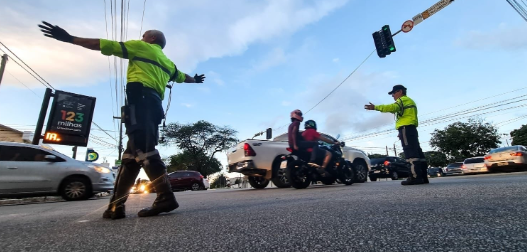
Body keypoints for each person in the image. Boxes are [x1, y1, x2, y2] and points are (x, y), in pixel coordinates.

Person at [38, 21, 206, 219]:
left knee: (145, 151)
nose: (141, 38)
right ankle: (116, 207)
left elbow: (104, 45)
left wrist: (70, 39)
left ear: (151, 39)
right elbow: (181, 77)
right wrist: (195, 79)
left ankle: (166, 197)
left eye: (144, 35)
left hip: (140, 101)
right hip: (153, 106)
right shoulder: (168, 63)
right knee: (130, 158)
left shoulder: (141, 47)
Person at [364, 84, 428, 185]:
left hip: (406, 128)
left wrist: (375, 107)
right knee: (417, 153)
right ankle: (423, 177)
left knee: (410, 152)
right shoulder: (409, 101)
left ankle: (415, 177)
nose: (393, 96)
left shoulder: (402, 100)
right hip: (410, 128)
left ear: (400, 91)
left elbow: (393, 107)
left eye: (393, 93)